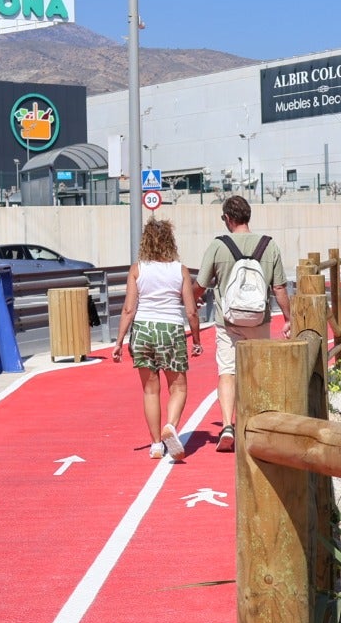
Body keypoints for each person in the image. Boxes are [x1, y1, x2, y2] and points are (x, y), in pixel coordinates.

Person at [197, 194, 292, 452]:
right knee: (258, 372)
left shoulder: (218, 246)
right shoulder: (269, 245)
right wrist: (288, 318)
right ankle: (256, 424)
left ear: (227, 218)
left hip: (228, 322)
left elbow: (201, 283)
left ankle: (228, 424)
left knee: (227, 371)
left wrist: (192, 302)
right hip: (259, 321)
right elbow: (280, 287)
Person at [112, 218, 204, 460]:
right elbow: (191, 310)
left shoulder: (137, 269)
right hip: (171, 330)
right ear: (170, 242)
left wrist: (119, 341)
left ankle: (155, 444)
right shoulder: (180, 270)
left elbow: (128, 309)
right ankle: (171, 427)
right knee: (179, 387)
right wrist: (196, 339)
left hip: (142, 330)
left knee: (150, 391)